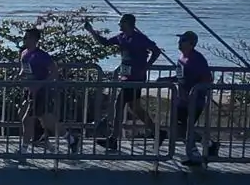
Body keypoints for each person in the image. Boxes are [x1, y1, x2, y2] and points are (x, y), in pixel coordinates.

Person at [86, 14, 164, 149]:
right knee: (136, 108)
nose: (119, 24)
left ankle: (113, 139)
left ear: (128, 23)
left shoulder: (140, 38)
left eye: (121, 22)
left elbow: (156, 51)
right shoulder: (121, 37)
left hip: (136, 79)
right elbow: (105, 42)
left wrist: (146, 66)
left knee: (119, 104)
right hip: (126, 77)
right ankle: (158, 132)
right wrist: (91, 31)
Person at [161, 31, 220, 164]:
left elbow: (208, 79)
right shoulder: (181, 58)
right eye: (180, 40)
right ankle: (208, 145)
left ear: (191, 43)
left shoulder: (197, 59)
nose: (179, 42)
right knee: (180, 128)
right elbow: (180, 77)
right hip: (182, 101)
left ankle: (195, 154)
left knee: (184, 129)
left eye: (183, 40)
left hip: (194, 101)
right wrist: (166, 79)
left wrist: (196, 91)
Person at [19, 28, 79, 154]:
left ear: (35, 40)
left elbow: (54, 72)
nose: (24, 39)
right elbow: (24, 69)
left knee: (27, 119)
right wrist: (19, 77)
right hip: (29, 91)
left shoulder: (42, 55)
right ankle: (71, 139)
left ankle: (23, 149)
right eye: (24, 37)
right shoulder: (24, 53)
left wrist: (41, 84)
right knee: (47, 121)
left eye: (27, 37)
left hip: (41, 92)